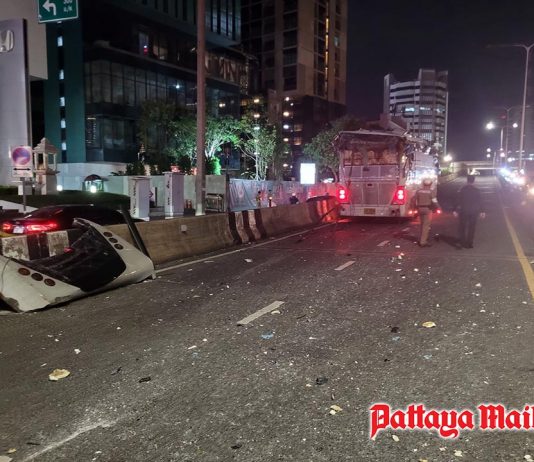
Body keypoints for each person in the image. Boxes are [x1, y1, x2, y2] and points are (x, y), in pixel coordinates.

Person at [453, 175, 485, 248]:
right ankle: (470, 243)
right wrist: (482, 211)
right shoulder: (477, 190)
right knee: (472, 227)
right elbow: (480, 201)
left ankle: (462, 242)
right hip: (474, 211)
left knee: (462, 227)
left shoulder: (462, 190)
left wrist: (455, 210)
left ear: (467, 181)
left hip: (464, 211)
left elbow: (457, 200)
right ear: (474, 181)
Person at [410, 178, 440, 247]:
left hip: (420, 209)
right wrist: (438, 207)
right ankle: (423, 242)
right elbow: (434, 201)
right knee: (425, 226)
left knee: (422, 224)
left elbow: (413, 199)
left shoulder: (418, 191)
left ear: (423, 184)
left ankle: (422, 239)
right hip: (427, 209)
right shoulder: (431, 192)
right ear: (430, 184)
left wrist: (414, 207)